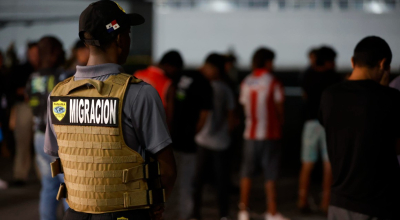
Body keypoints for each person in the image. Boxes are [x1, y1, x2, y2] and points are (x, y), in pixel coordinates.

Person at [44, 1, 176, 220]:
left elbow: (59, 155)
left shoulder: (59, 95)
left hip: (75, 214)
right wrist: (156, 204)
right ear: (119, 39)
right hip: (126, 213)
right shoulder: (139, 93)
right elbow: (167, 169)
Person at [319, 36, 400, 220]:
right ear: (383, 64)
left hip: (339, 202)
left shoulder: (329, 95)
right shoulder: (391, 99)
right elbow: (396, 147)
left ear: (353, 62)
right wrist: (385, 88)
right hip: (379, 204)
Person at [238, 48, 289, 220]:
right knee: (270, 174)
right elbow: (280, 108)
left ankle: (243, 210)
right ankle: (272, 211)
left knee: (246, 172)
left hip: (250, 134)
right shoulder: (273, 82)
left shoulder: (246, 81)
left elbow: (245, 107)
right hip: (270, 133)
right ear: (267, 62)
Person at [25, 36, 68, 220]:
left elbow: (29, 101)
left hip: (39, 138)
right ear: (53, 53)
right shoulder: (63, 77)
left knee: (49, 187)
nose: (63, 53)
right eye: (60, 49)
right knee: (69, 188)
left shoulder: (33, 78)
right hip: (59, 139)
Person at [168, 52, 213, 220]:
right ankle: (185, 215)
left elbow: (171, 97)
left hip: (171, 138)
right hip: (188, 143)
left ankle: (169, 214)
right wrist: (194, 132)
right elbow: (204, 116)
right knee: (187, 182)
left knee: (169, 179)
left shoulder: (182, 75)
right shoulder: (205, 84)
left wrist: (170, 124)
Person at [190, 53, 236, 220]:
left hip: (202, 139)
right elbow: (231, 114)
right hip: (220, 141)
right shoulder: (225, 87)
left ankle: (195, 214)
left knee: (198, 181)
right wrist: (228, 132)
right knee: (221, 181)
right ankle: (223, 214)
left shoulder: (202, 85)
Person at [298, 46, 341, 213]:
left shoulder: (307, 75)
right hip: (329, 124)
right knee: (328, 165)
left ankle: (302, 200)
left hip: (310, 122)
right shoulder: (334, 77)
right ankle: (325, 202)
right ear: (330, 61)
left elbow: (305, 95)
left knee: (307, 164)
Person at [9, 42, 39, 186]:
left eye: (36, 53)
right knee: (22, 142)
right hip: (24, 107)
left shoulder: (44, 68)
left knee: (41, 143)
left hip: (41, 107)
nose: (33, 56)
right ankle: (20, 175)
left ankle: (44, 175)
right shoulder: (20, 69)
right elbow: (13, 88)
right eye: (31, 53)